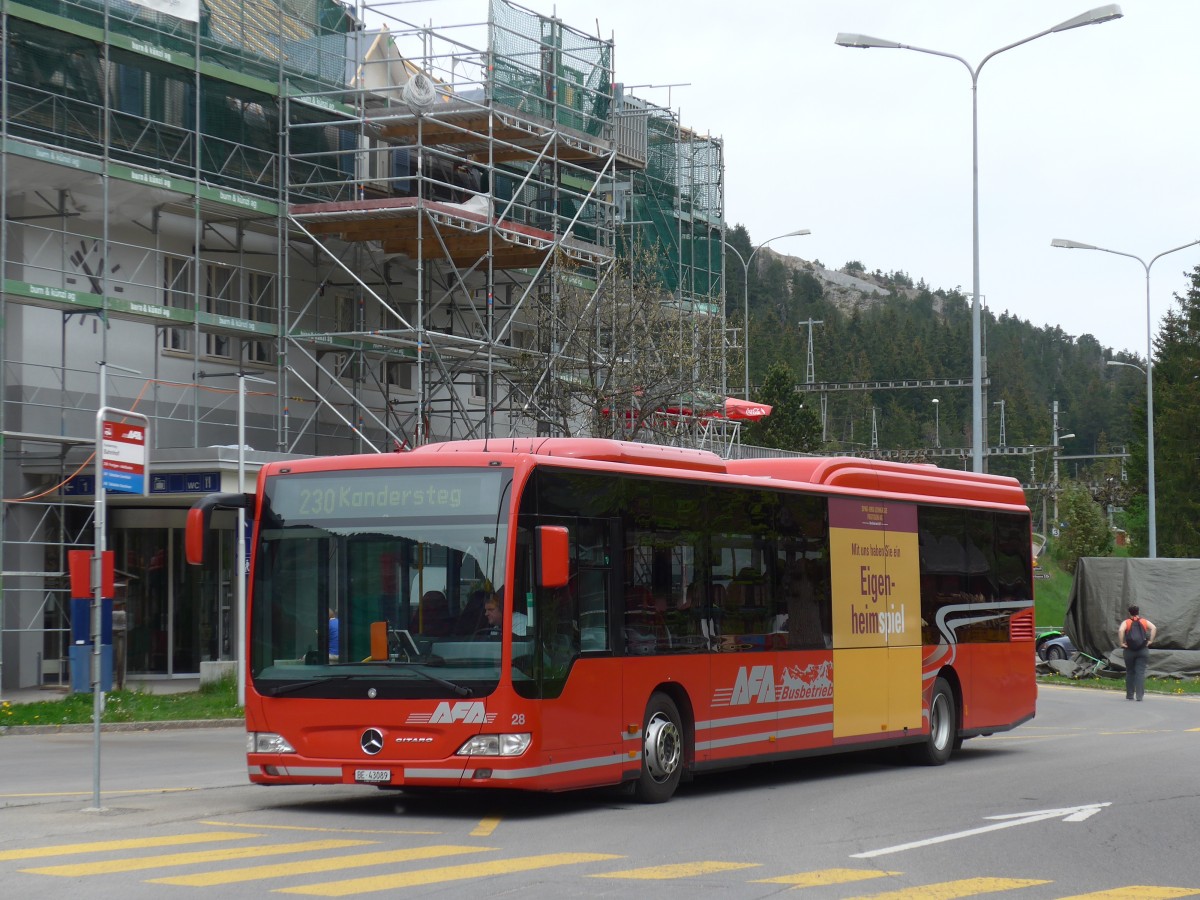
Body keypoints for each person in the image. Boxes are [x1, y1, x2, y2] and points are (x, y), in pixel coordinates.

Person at [1118, 604, 1157, 701]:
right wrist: (1151, 641)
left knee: (1130, 672)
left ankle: (1130, 695)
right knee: (1140, 673)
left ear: (1129, 613)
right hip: (1142, 650)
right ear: (1138, 612)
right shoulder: (1144, 622)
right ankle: (1139, 696)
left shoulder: (1126, 622)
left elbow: (1120, 630)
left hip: (1129, 650)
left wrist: (1121, 643)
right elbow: (1154, 628)